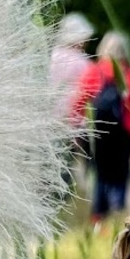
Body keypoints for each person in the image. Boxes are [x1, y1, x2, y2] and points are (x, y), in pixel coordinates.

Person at [71, 31, 130, 231]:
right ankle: (116, 215)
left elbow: (79, 102)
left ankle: (98, 220)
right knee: (120, 175)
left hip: (96, 133)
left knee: (99, 174)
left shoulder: (94, 72)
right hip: (123, 135)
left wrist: (76, 130)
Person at [50, 12, 95, 190]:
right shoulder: (84, 64)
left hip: (46, 121)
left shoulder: (50, 56)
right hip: (70, 125)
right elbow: (88, 96)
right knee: (65, 171)